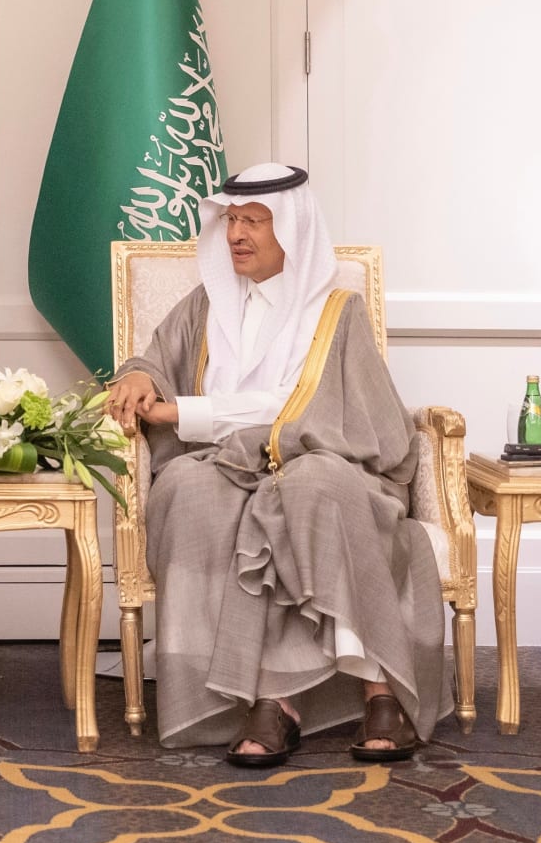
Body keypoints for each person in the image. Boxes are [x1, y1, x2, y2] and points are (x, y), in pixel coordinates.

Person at [104, 163, 447, 766]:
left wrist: (186, 412)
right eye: (231, 220)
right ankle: (268, 700)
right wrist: (137, 375)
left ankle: (380, 690)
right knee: (190, 490)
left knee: (309, 488)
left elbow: (315, 409)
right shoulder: (207, 303)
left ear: (292, 229)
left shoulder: (336, 311)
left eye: (254, 222)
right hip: (223, 463)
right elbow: (157, 358)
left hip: (324, 458)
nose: (237, 234)